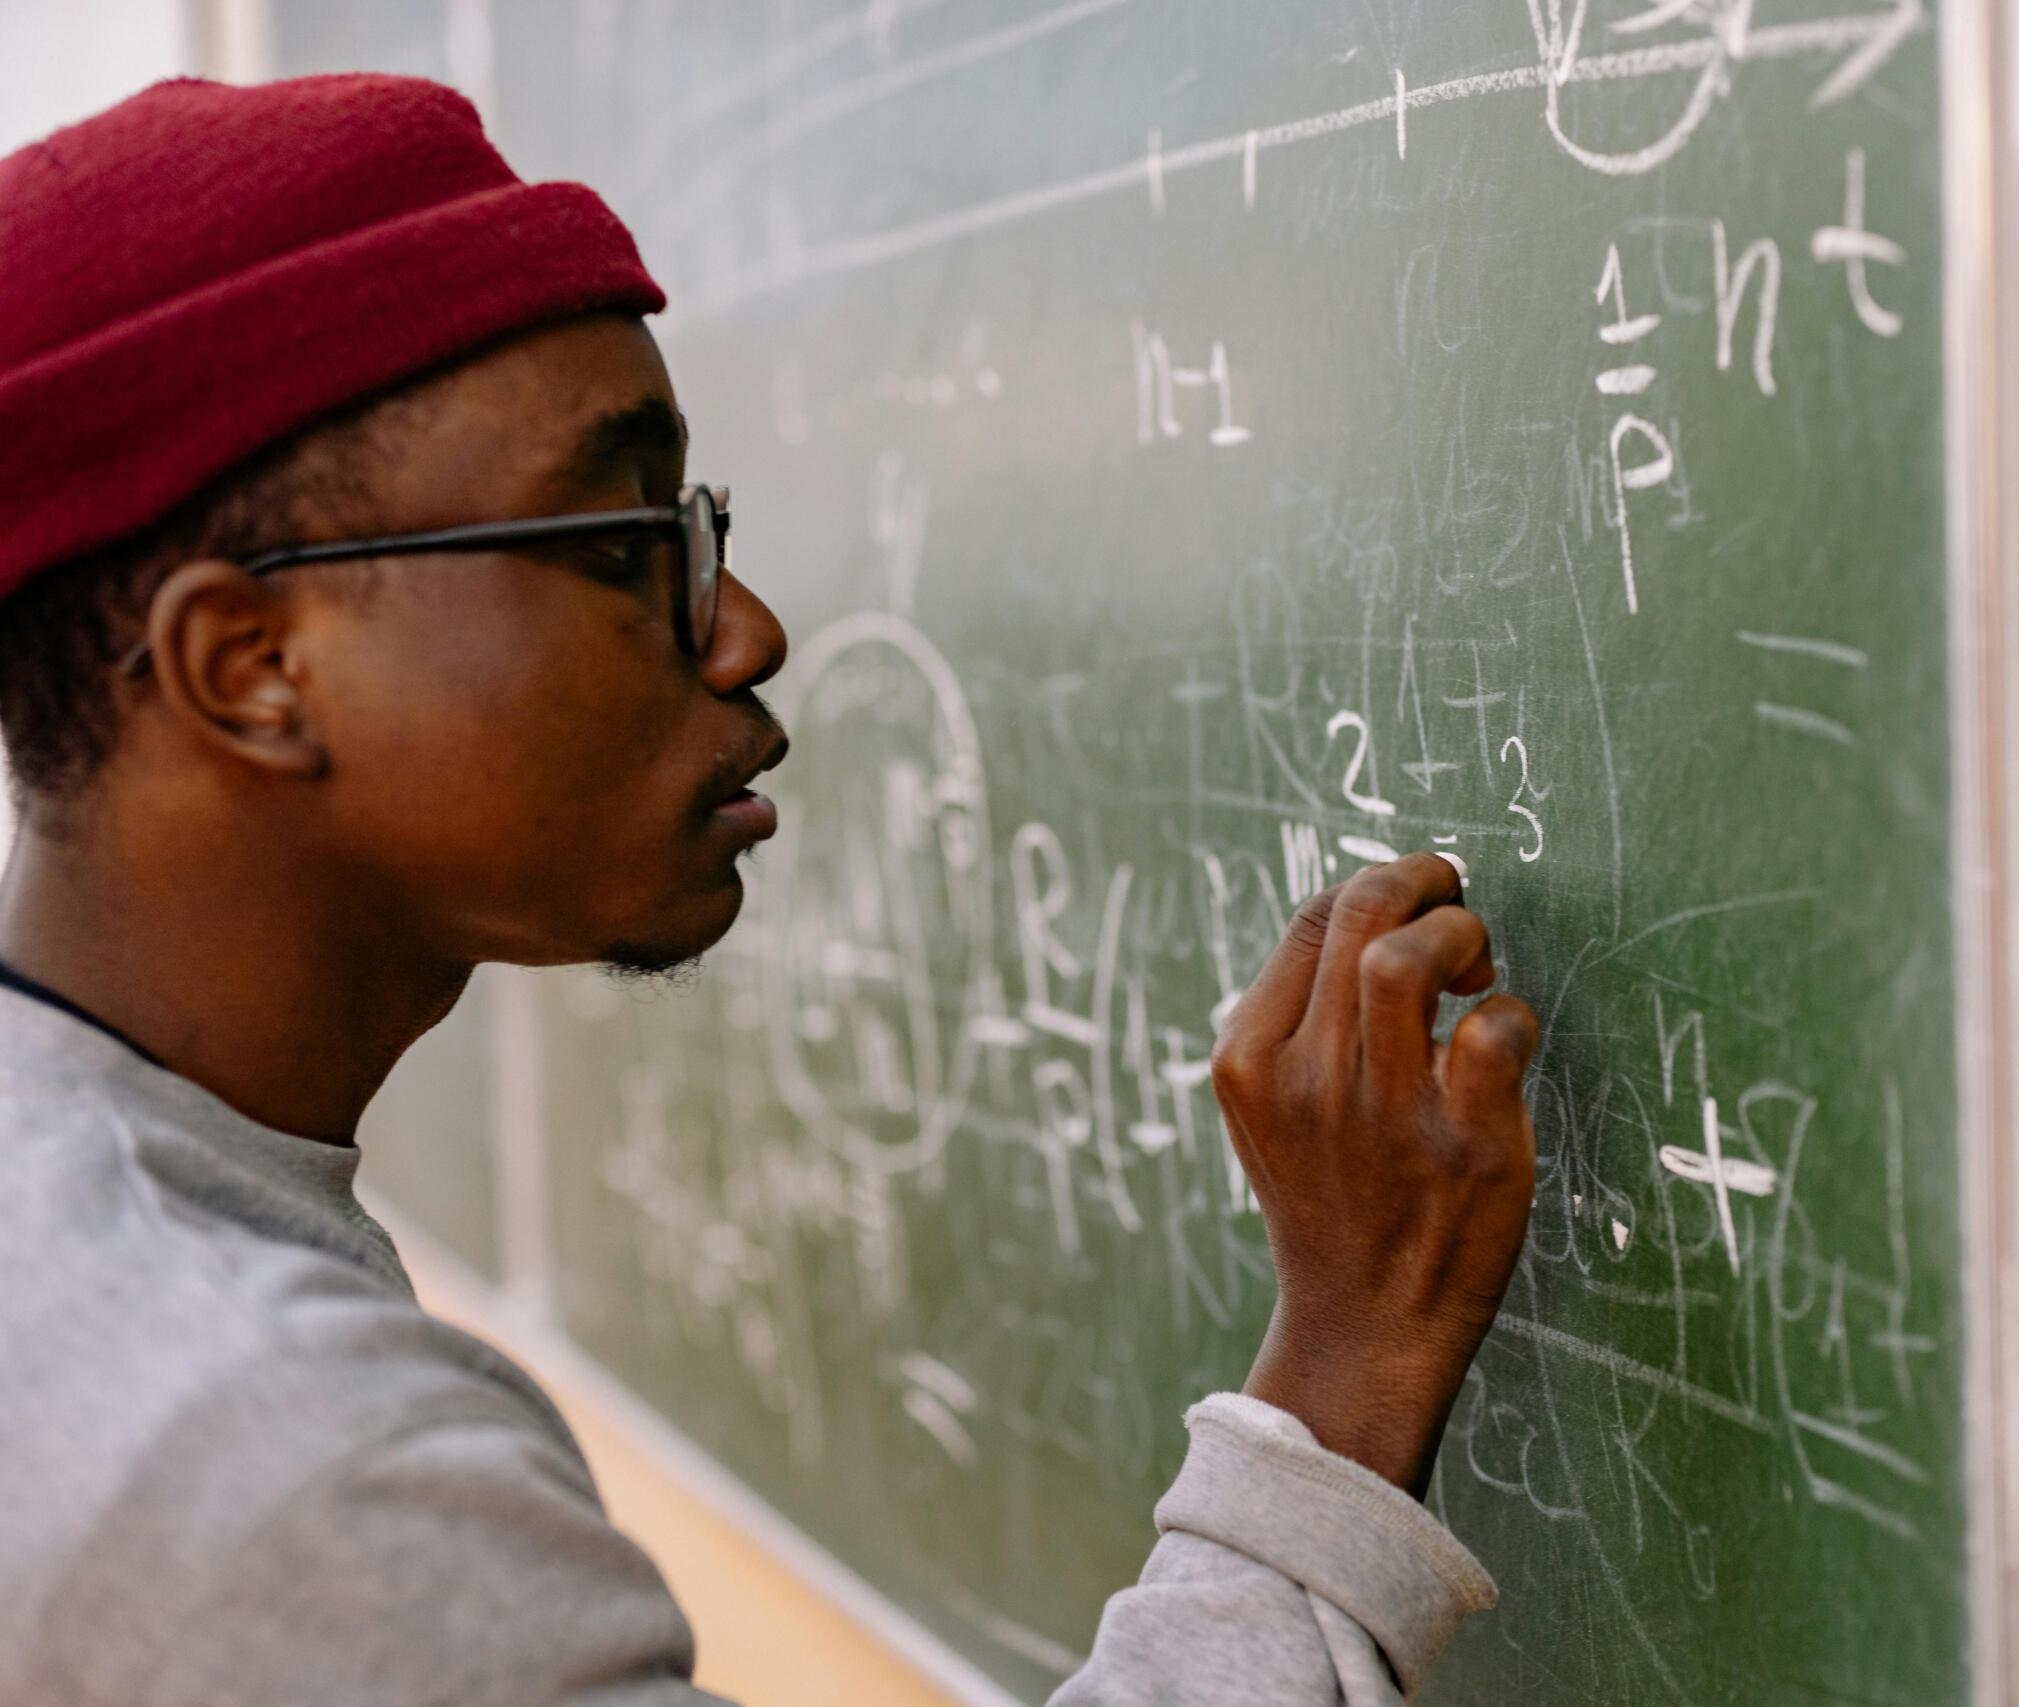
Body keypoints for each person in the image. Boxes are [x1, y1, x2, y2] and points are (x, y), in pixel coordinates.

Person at [0, 72, 1541, 1706]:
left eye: (700, 528)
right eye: (615, 543)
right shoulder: (267, 1472)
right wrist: (1341, 1377)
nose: (744, 632)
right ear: (252, 669)